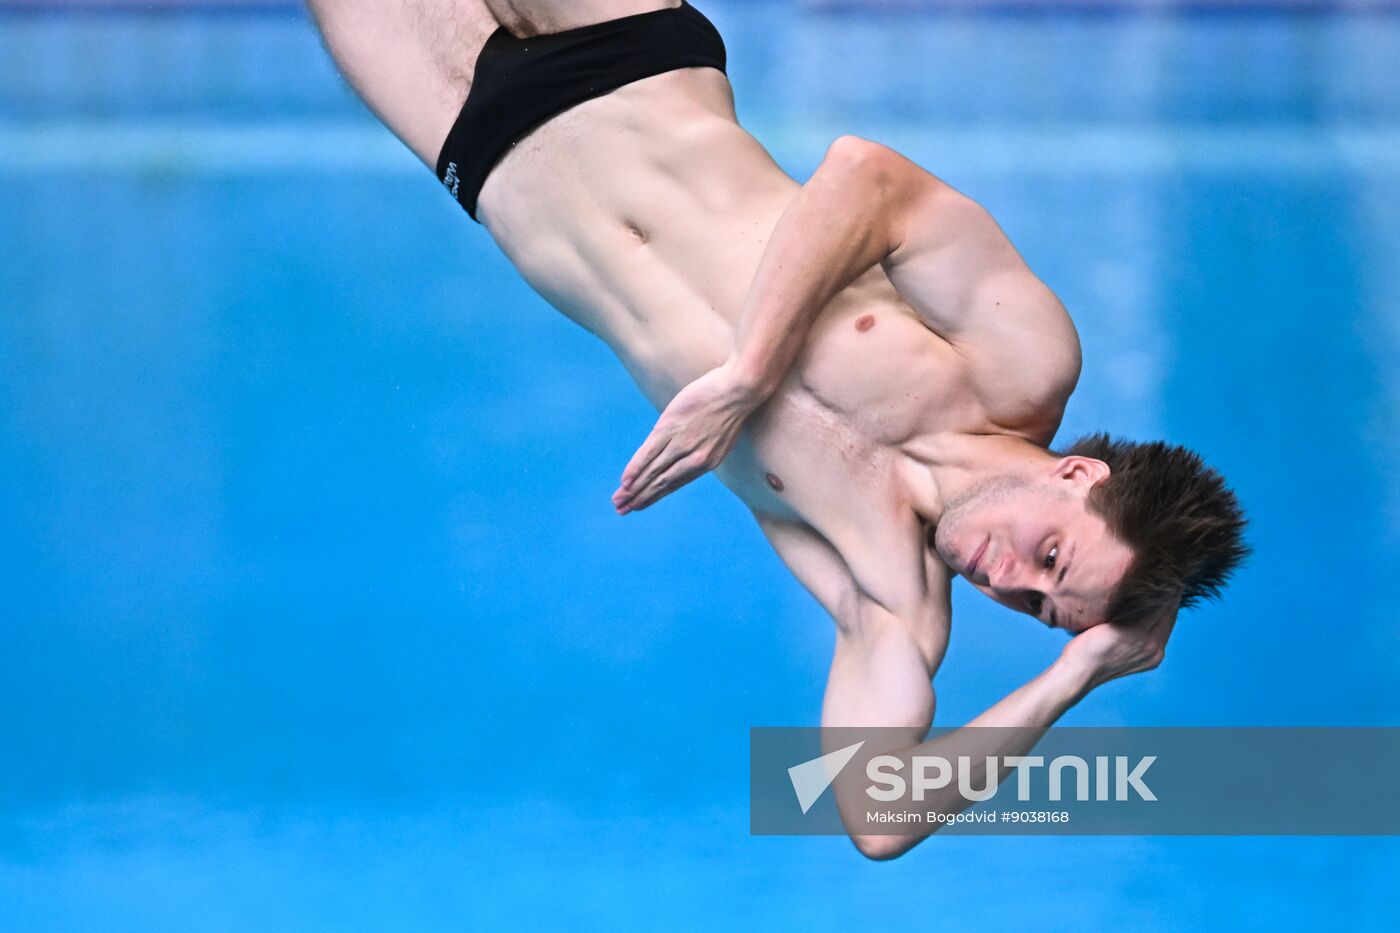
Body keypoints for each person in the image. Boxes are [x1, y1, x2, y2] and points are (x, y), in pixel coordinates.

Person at [306, 0, 1248, 858]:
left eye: (1040, 609)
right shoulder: (1021, 363)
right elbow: (866, 177)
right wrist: (747, 375)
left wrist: (1075, 675)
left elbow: (878, 820)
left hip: (491, 153)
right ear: (1078, 477)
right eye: (1050, 558)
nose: (1006, 580)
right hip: (626, 61)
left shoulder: (890, 596)